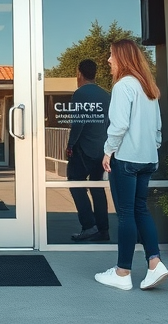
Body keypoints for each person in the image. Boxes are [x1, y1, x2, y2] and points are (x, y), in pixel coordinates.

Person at [95, 39, 168, 291]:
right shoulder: (149, 88)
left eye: (111, 55)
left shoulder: (123, 86)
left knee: (126, 215)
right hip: (148, 159)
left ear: (122, 58)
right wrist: (150, 147)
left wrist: (107, 151)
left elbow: (118, 126)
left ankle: (122, 273)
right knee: (141, 210)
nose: (108, 60)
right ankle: (155, 263)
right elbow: (158, 130)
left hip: (126, 160)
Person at [65, 59, 111, 242]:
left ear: (79, 73)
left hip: (83, 150)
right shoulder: (106, 95)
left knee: (76, 184)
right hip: (101, 149)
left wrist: (70, 145)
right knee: (97, 188)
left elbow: (78, 123)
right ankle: (103, 229)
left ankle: (88, 226)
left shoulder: (80, 94)